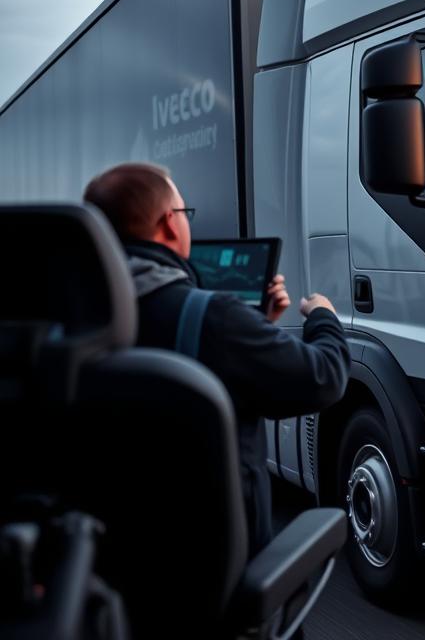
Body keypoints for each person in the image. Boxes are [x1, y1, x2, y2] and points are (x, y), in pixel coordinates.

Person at [84, 162, 349, 557]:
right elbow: (323, 377)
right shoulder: (215, 320)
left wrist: (255, 327)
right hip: (209, 574)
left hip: (99, 566)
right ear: (170, 225)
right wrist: (323, 317)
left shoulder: (68, 320)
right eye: (183, 214)